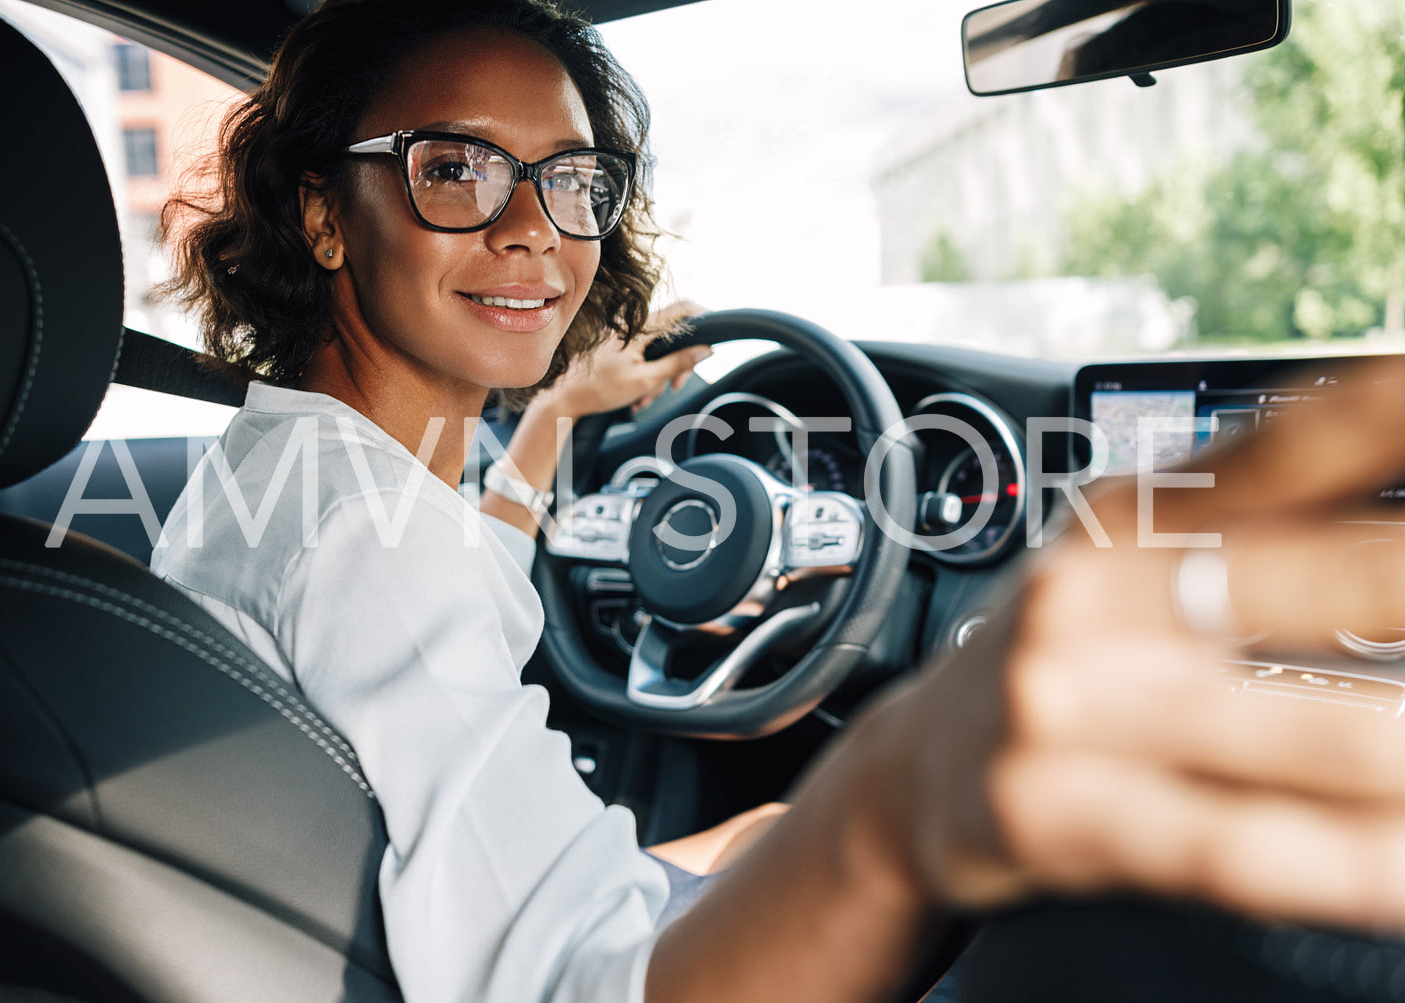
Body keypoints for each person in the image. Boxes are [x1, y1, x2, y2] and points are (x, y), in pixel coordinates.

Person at [151, 0, 1405, 1000]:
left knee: (762, 823)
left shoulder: (300, 482)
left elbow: (456, 591)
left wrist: (548, 428)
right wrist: (905, 782)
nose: (534, 229)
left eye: (572, 179)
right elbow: (573, 984)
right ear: (325, 214)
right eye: (457, 169)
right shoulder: (363, 549)